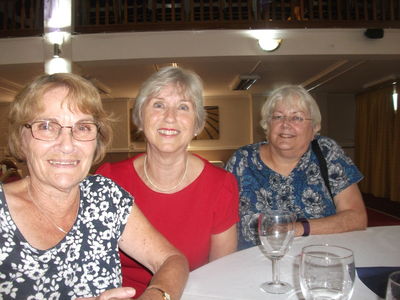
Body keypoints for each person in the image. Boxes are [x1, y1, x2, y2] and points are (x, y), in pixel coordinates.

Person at [0, 73, 189, 299]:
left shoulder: (105, 197)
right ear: (22, 138)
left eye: (82, 127)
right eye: (47, 126)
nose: (67, 145)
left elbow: (172, 259)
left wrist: (156, 295)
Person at [96, 66, 239, 297]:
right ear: (140, 118)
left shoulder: (221, 185)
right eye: (159, 105)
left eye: (183, 107)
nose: (170, 117)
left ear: (197, 125)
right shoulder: (109, 180)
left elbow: (222, 272)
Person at [225, 85, 367, 250]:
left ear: (314, 128)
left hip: (317, 256)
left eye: (297, 118)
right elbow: (220, 224)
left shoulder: (327, 152)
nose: (286, 124)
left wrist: (297, 228)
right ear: (267, 125)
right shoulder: (242, 161)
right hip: (254, 260)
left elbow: (357, 217)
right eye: (278, 117)